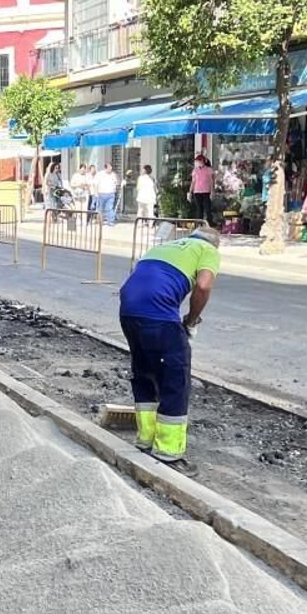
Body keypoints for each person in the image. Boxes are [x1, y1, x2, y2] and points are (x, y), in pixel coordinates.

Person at [117, 228, 221, 473]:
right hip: (159, 315)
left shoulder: (163, 247)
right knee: (175, 377)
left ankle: (145, 440)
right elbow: (204, 286)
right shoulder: (208, 250)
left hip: (128, 311)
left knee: (144, 373)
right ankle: (168, 453)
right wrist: (191, 320)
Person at [189, 153, 213, 224]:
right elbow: (193, 182)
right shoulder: (195, 170)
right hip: (197, 191)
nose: (198, 162)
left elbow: (211, 181)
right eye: (197, 161)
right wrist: (190, 192)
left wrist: (212, 191)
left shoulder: (208, 170)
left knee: (207, 208)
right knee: (199, 209)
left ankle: (209, 223)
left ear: (203, 161)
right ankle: (200, 224)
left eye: (200, 160)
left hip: (206, 191)